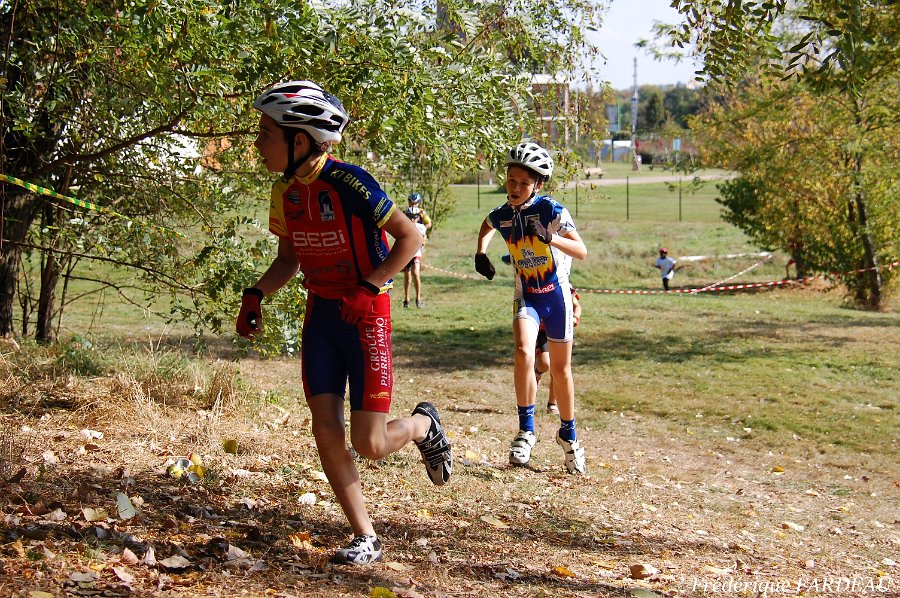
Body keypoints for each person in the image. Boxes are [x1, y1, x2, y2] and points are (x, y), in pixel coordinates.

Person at [236, 81, 452, 566]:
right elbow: (288, 259)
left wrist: (369, 286)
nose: (257, 143)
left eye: (266, 133)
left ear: (299, 139)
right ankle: (365, 536)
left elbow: (411, 238)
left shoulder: (351, 183)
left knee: (369, 443)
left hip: (365, 315)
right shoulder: (284, 191)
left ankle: (423, 425)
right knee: (326, 430)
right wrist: (256, 294)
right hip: (322, 317)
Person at [474, 141, 588, 475]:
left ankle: (568, 435)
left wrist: (551, 238)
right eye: (511, 180)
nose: (515, 188)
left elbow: (581, 251)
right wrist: (481, 252)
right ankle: (526, 431)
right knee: (524, 351)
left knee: (560, 371)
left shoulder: (551, 211)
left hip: (557, 298)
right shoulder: (504, 214)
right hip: (527, 297)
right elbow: (487, 224)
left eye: (524, 183)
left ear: (537, 185)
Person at [535, 288, 581, 414]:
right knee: (545, 364)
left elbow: (577, 306)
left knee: (558, 368)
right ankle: (536, 376)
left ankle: (552, 404)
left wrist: (575, 317)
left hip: (560, 331)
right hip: (542, 331)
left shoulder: (567, 288)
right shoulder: (542, 284)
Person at [402, 193, 431, 308]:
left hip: (417, 249)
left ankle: (418, 298)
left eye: (416, 202)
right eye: (412, 202)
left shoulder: (422, 212)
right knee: (407, 276)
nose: (413, 219)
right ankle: (406, 299)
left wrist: (421, 232)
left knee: (416, 273)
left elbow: (429, 223)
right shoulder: (405, 212)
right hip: (406, 250)